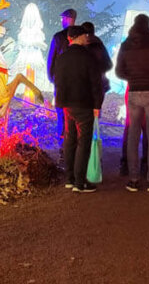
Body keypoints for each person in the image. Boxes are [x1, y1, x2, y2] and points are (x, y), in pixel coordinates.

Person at [115, 13, 149, 192]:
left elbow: (119, 71)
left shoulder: (126, 44)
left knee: (133, 135)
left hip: (134, 93)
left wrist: (132, 78)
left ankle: (133, 179)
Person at [52, 23, 103, 193]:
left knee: (70, 139)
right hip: (83, 103)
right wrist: (97, 105)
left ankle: (69, 178)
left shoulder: (62, 57)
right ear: (80, 37)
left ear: (69, 38)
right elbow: (96, 84)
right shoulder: (88, 57)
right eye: (85, 36)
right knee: (83, 142)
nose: (86, 38)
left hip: (66, 104)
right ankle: (80, 182)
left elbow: (56, 79)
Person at [47, 7, 77, 149]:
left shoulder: (58, 37)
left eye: (63, 18)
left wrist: (52, 78)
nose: (62, 21)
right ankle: (72, 145)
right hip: (76, 85)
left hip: (61, 83)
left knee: (61, 116)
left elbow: (50, 60)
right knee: (74, 116)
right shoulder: (81, 36)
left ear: (68, 19)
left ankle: (63, 146)